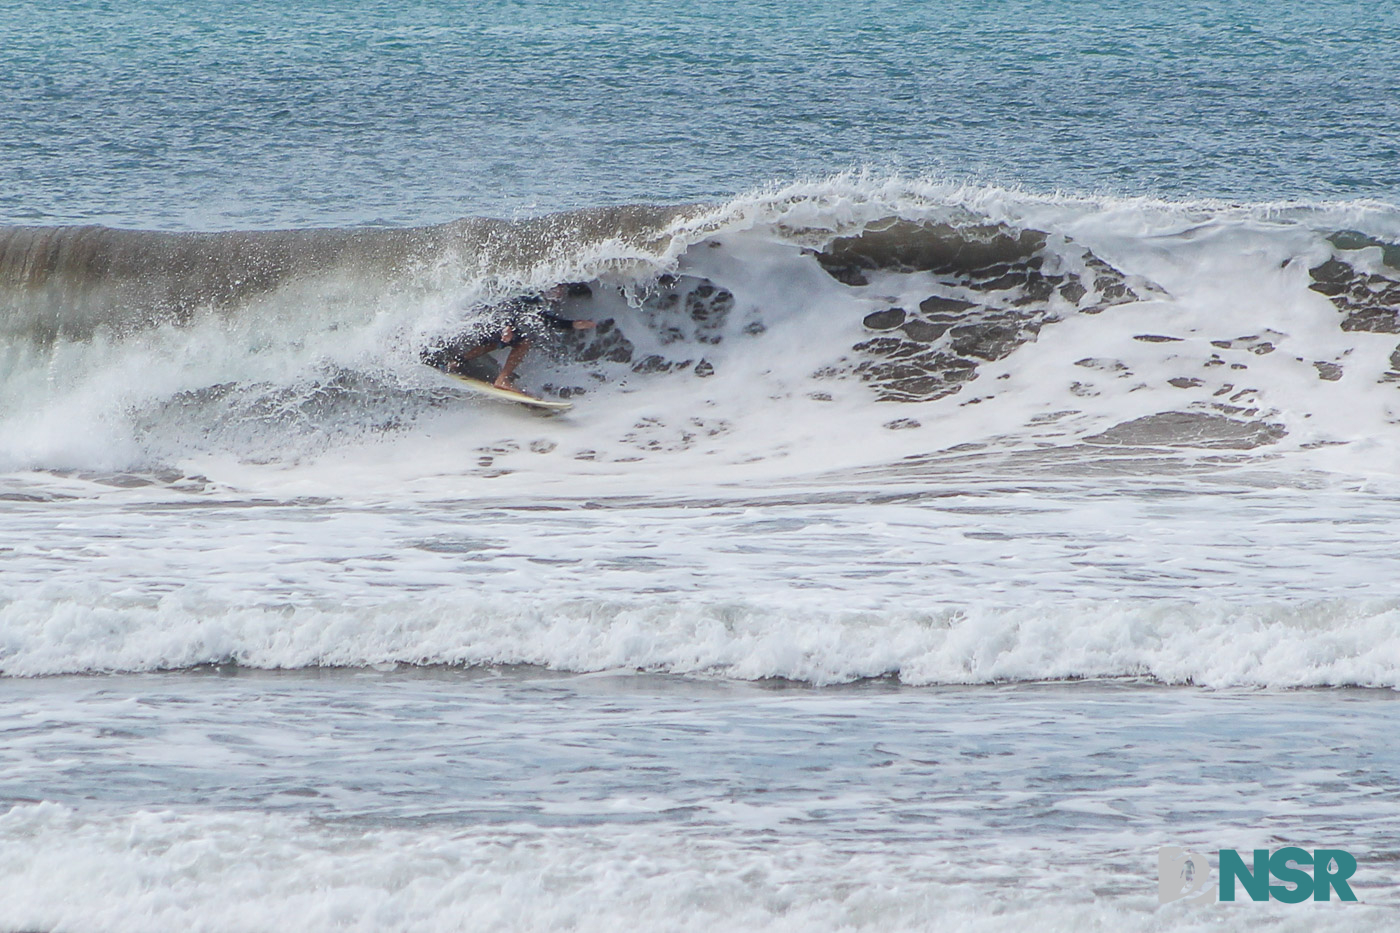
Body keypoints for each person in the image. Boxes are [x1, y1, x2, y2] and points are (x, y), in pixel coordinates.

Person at [423, 284, 596, 392]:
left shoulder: (540, 302)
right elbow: (511, 306)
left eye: (562, 289)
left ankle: (456, 361)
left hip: (488, 318)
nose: (560, 292)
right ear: (549, 288)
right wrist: (506, 326)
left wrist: (574, 324)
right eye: (558, 288)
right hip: (496, 319)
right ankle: (502, 379)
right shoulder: (532, 297)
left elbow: (547, 320)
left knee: (493, 343)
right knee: (523, 342)